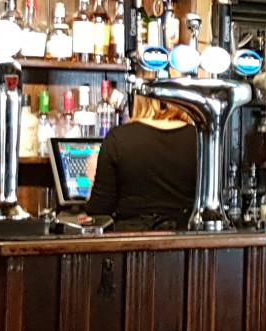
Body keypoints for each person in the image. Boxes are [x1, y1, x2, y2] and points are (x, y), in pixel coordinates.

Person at [85, 95, 199, 230]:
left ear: (139, 96)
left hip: (130, 238)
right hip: (186, 237)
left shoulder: (117, 139)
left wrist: (93, 180)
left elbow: (99, 212)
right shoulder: (200, 139)